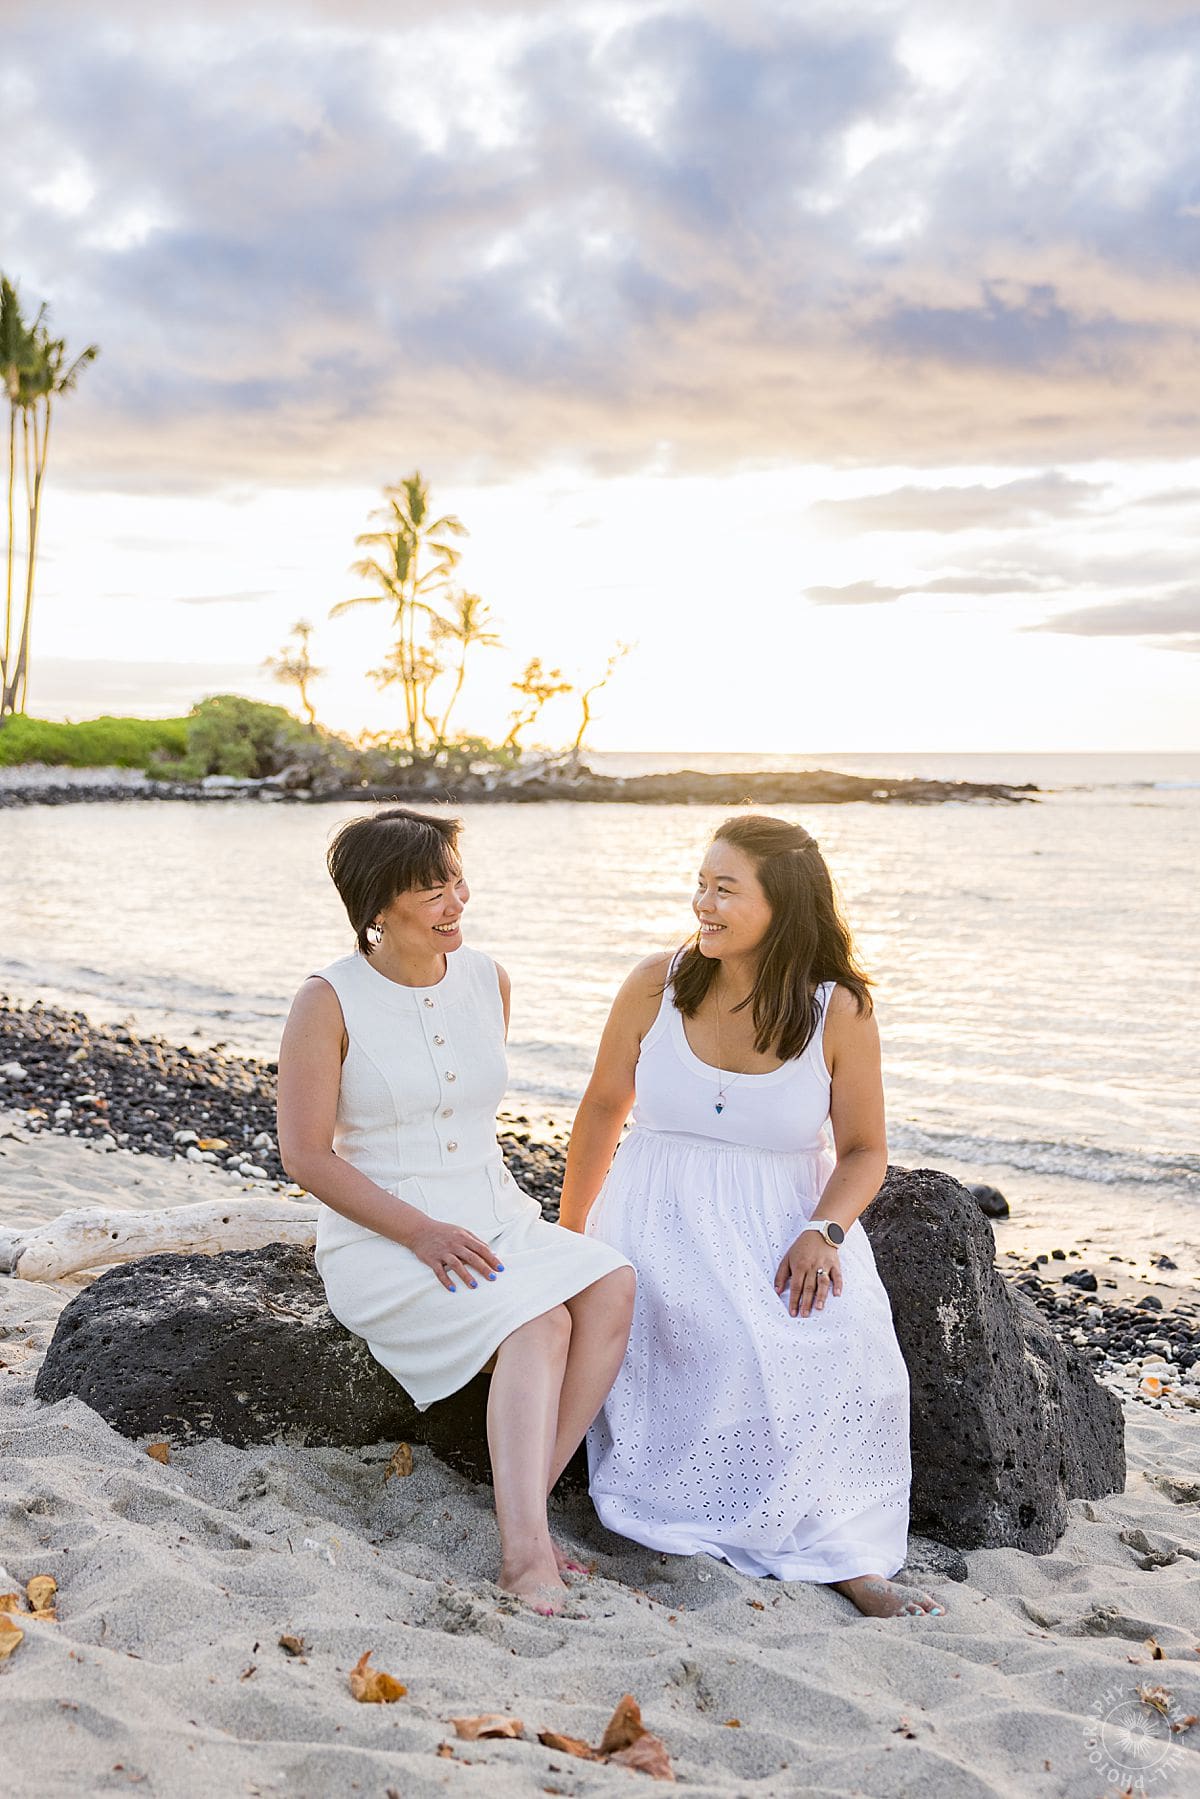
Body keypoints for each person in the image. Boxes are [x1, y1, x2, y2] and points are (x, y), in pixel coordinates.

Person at [559, 813, 943, 1620]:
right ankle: (693, 1522)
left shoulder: (840, 1009)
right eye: (702, 883)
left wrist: (826, 1229)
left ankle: (842, 1552)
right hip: (653, 1214)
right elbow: (601, 1108)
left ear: (784, 906)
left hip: (781, 1220)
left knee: (843, 1346)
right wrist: (568, 1238)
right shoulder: (654, 983)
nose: (703, 902)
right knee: (713, 1336)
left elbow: (867, 1150)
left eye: (725, 889)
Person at [277, 807, 635, 1614]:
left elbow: (469, 1119)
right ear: (377, 905)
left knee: (613, 1284)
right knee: (539, 1324)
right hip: (384, 1239)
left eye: (458, 880)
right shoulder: (326, 1001)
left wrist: (476, 1222)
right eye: (433, 888)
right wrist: (420, 1230)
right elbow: (305, 1156)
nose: (457, 901)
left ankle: (527, 1513)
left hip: (497, 1212)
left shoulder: (488, 979)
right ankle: (522, 1555)